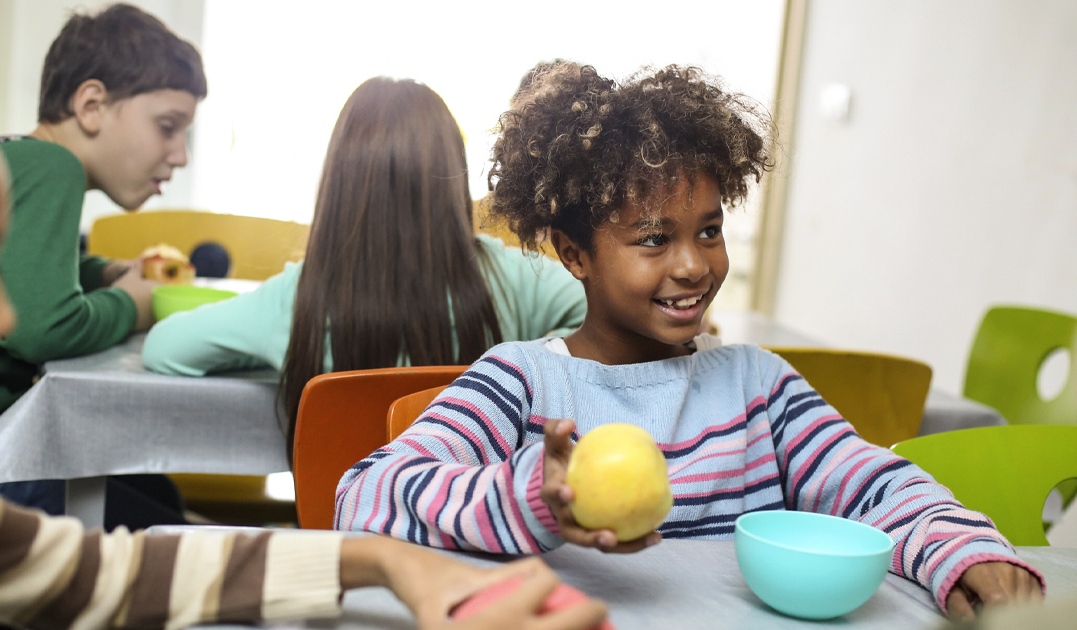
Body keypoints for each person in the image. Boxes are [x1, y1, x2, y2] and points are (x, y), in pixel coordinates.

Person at [0, 33, 608, 630]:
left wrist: (383, 561)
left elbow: (99, 570)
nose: (4, 316)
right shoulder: (518, 278)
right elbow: (595, 325)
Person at [334, 64, 1045, 621]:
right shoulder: (520, 384)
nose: (693, 265)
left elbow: (874, 485)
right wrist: (534, 498)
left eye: (709, 230)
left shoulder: (758, 388)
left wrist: (964, 549)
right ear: (573, 253)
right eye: (653, 239)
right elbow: (363, 499)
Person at [142, 77, 587, 456]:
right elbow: (605, 322)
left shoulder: (297, 298)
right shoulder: (516, 279)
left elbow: (165, 348)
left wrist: (258, 349)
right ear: (453, 174)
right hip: (479, 539)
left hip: (342, 540)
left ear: (339, 180)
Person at [0, 3, 205, 526]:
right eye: (168, 127)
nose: (180, 154)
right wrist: (134, 306)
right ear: (92, 105)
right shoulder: (55, 168)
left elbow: (18, 267)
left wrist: (103, 272)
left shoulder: (13, 156)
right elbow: (42, 328)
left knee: (152, 492)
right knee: (158, 518)